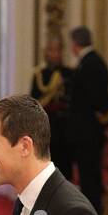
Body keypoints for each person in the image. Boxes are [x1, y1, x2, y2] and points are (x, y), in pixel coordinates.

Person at [67, 26, 108, 214]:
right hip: (84, 133)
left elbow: (97, 99)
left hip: (88, 134)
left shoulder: (92, 64)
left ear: (75, 43)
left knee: (90, 179)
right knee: (87, 177)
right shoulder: (89, 62)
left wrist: (106, 122)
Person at [30, 35, 73, 180]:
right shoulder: (39, 74)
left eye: (57, 50)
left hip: (64, 130)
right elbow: (34, 102)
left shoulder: (68, 74)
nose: (54, 54)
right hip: (45, 129)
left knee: (64, 171)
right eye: (50, 50)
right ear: (45, 52)